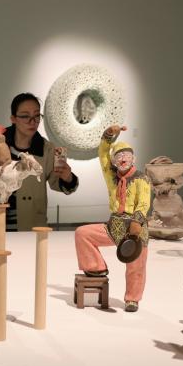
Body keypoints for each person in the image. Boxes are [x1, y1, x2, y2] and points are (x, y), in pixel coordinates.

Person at [0, 93, 79, 231]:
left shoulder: (46, 148)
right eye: (25, 116)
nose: (32, 122)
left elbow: (57, 182)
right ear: (13, 119)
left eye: (36, 116)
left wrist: (67, 177)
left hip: (29, 224)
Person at [74, 125, 151, 312]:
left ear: (134, 159)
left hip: (136, 228)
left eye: (127, 155)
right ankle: (96, 267)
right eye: (119, 156)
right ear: (114, 161)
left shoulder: (142, 179)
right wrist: (109, 135)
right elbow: (102, 153)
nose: (123, 159)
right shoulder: (111, 176)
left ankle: (132, 299)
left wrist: (137, 221)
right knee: (83, 233)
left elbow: (144, 203)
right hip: (114, 226)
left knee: (136, 266)